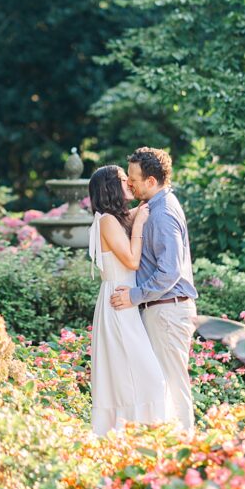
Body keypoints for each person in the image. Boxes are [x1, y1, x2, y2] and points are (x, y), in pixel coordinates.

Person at [109, 147, 198, 432]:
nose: (130, 183)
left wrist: (133, 297)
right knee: (161, 382)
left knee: (173, 383)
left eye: (134, 178)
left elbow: (169, 272)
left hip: (167, 309)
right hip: (162, 309)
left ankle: (187, 447)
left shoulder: (162, 214)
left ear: (151, 181)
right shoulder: (156, 207)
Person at [87, 165, 167, 437]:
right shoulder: (107, 221)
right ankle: (130, 433)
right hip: (119, 304)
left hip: (125, 302)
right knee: (146, 375)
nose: (130, 183)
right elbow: (132, 260)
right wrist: (141, 223)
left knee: (129, 374)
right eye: (124, 180)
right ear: (111, 186)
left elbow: (137, 212)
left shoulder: (114, 219)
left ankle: (132, 432)